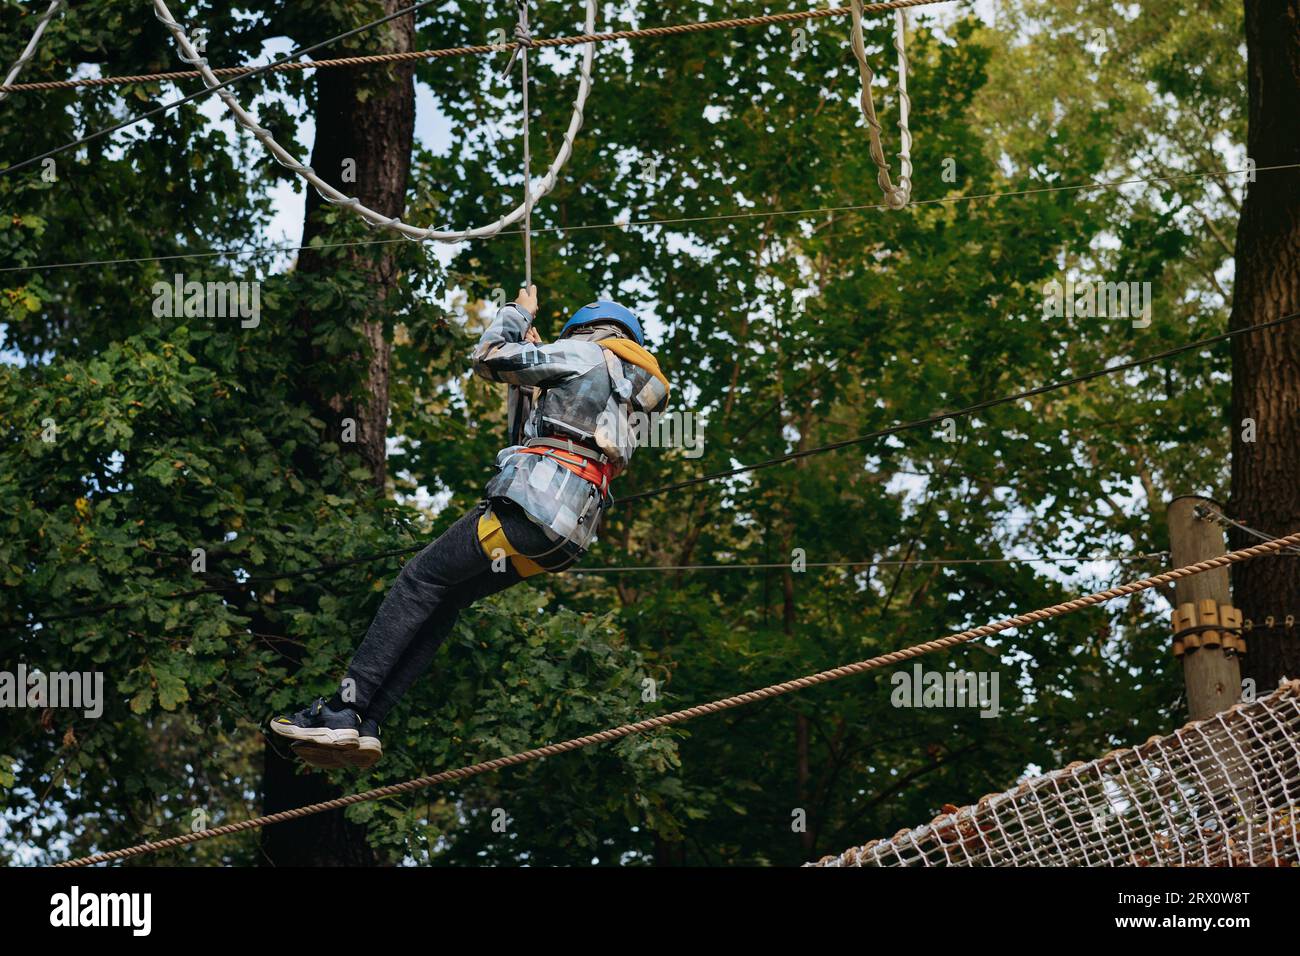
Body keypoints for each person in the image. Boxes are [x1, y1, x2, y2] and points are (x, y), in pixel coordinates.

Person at [269, 286, 670, 769]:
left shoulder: (581, 352)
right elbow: (533, 438)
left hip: (530, 512)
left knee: (419, 579)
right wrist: (534, 379)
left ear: (588, 330)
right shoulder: (635, 393)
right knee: (447, 596)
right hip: (565, 537)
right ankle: (368, 723)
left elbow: (487, 357)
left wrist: (516, 314)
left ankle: (343, 710)